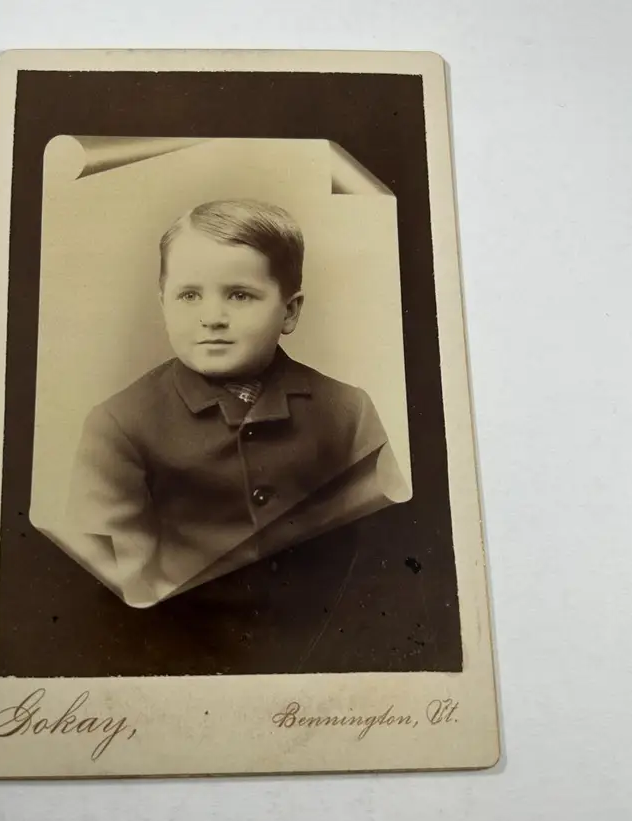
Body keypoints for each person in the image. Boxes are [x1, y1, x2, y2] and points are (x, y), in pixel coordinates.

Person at [62, 199, 410, 608]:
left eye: (240, 296)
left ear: (290, 311)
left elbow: (385, 550)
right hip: (185, 640)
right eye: (189, 295)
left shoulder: (348, 410)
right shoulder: (119, 423)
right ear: (163, 304)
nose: (212, 316)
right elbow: (115, 584)